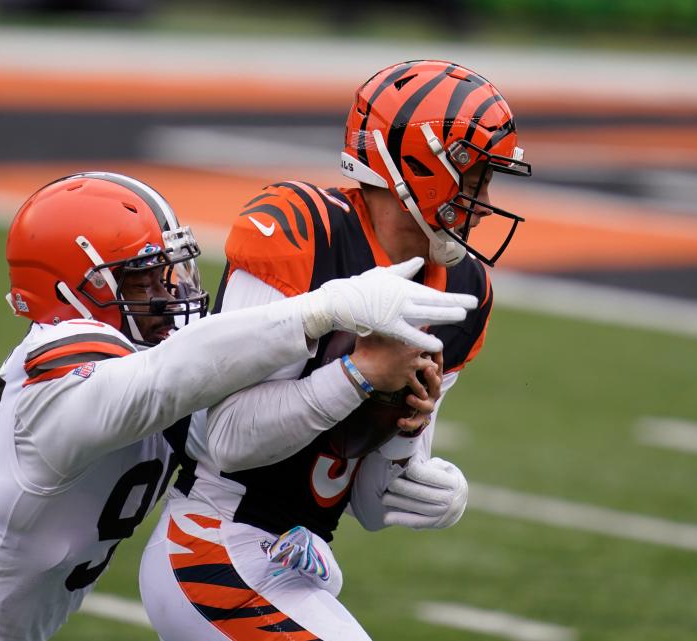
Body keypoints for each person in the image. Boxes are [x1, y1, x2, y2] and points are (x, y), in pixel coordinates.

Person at [0, 171, 479, 641]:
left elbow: (224, 416)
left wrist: (399, 445)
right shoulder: (55, 372)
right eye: (142, 277)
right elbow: (167, 380)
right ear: (72, 290)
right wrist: (322, 309)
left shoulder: (138, 356)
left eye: (174, 268)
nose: (174, 290)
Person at [139, 59, 533, 640]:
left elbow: (369, 506)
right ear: (421, 165)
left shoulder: (465, 287)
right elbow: (226, 440)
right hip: (213, 538)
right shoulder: (302, 227)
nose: (483, 198)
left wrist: (412, 452)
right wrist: (358, 374)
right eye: (474, 175)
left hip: (301, 558)